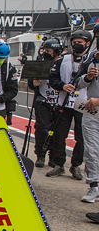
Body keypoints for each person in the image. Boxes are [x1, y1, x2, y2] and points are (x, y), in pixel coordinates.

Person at [46, 30, 92, 179]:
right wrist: (62, 86)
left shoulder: (91, 61)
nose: (77, 44)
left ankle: (76, 165)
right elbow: (52, 79)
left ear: (87, 43)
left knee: (81, 137)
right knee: (59, 135)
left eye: (80, 42)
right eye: (74, 42)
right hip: (63, 103)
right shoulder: (62, 60)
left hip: (83, 104)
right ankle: (59, 164)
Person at [29, 38, 63, 167]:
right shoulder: (40, 63)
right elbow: (31, 83)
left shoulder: (63, 63)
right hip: (42, 101)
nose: (46, 53)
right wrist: (34, 82)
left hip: (59, 102)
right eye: (45, 50)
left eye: (49, 51)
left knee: (56, 132)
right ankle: (40, 155)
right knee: (42, 129)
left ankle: (54, 157)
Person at [75, 47, 99, 202]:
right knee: (91, 150)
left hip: (95, 104)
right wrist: (88, 77)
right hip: (91, 112)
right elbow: (78, 82)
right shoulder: (90, 59)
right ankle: (94, 186)